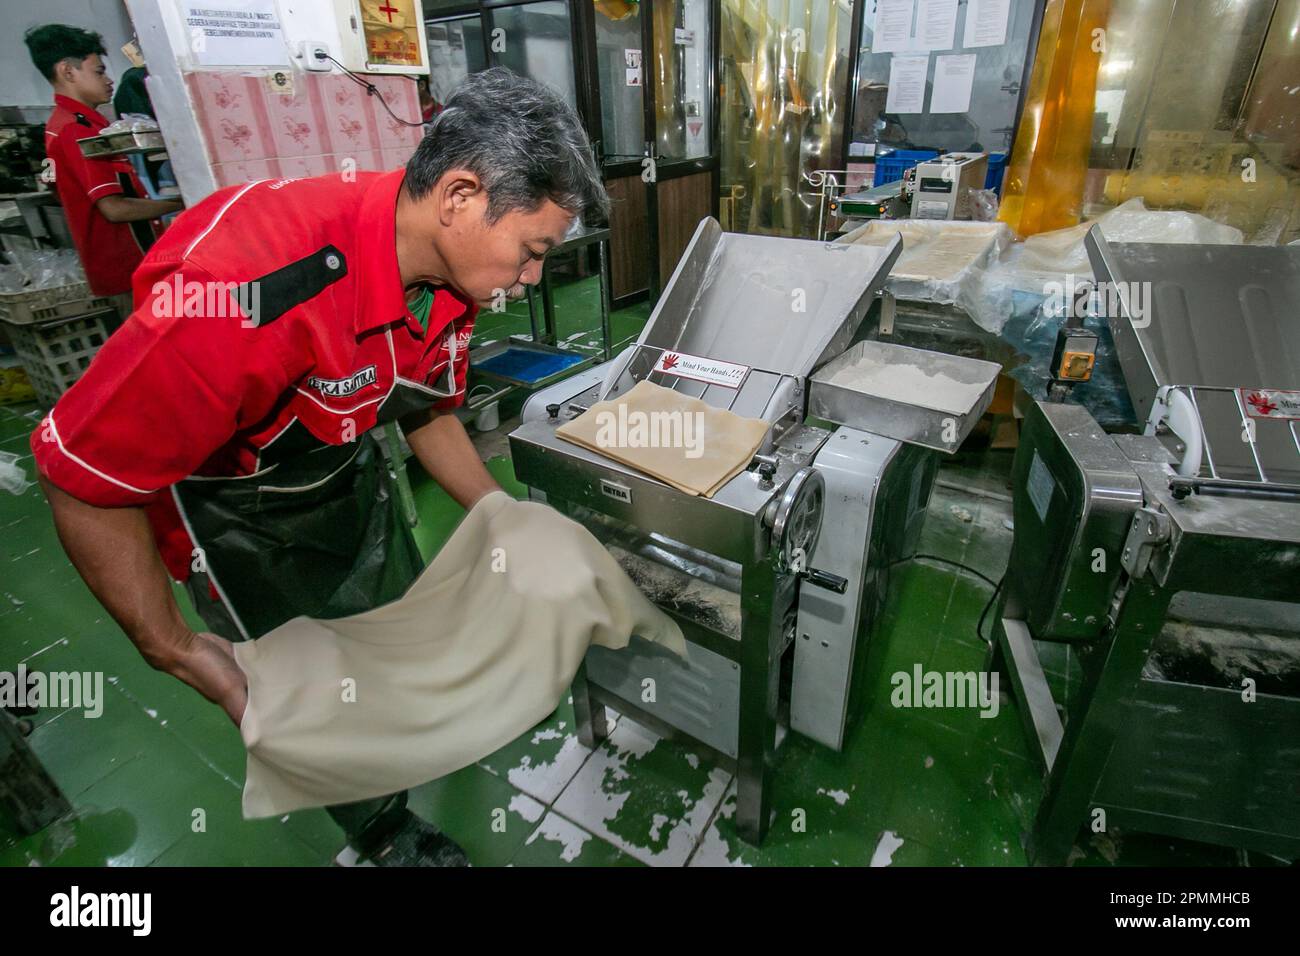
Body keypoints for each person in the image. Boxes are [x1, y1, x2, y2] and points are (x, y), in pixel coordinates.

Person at [30, 68, 609, 867]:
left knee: (388, 645)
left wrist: (504, 513)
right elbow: (81, 474)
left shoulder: (447, 273)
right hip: (246, 528)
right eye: (533, 251)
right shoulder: (243, 289)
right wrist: (174, 647)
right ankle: (380, 831)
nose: (535, 277)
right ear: (461, 197)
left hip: (345, 480)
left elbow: (425, 407)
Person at [24, 25, 181, 314]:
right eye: (98, 72)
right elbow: (114, 209)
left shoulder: (58, 125)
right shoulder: (77, 129)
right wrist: (180, 203)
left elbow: (50, 180)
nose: (109, 81)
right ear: (67, 72)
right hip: (127, 266)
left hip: (118, 266)